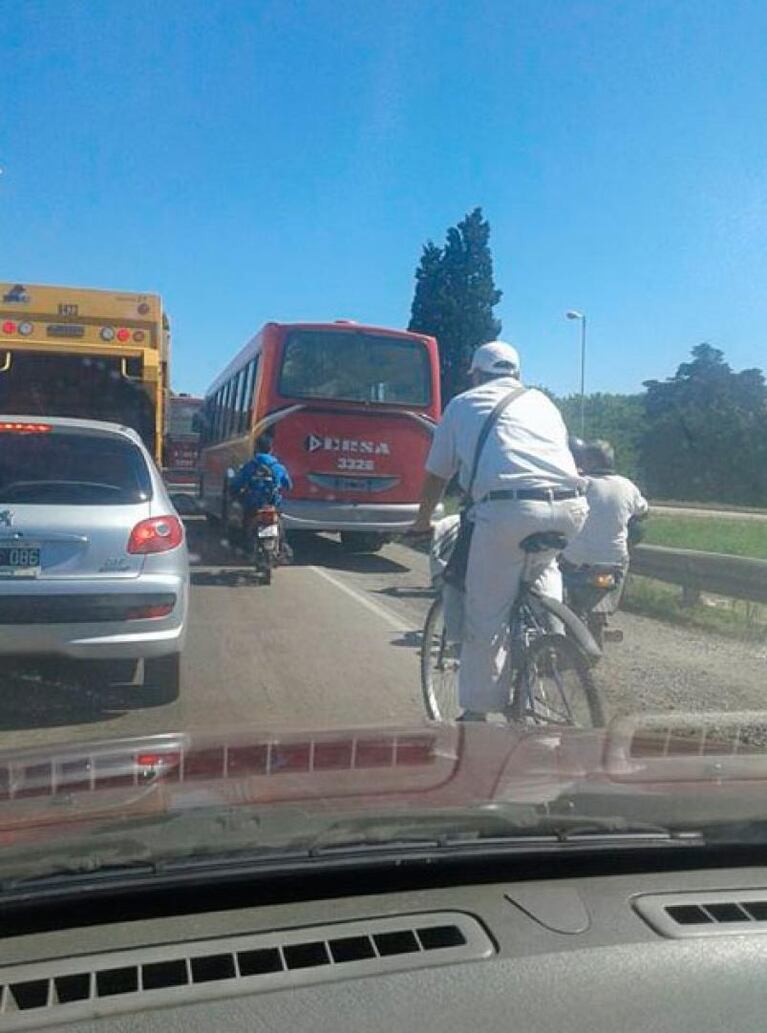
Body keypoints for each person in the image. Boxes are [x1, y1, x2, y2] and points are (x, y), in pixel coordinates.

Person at [411, 340, 589, 721]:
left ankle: (476, 711)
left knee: (486, 614)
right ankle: (548, 636)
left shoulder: (462, 405)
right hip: (572, 507)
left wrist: (422, 519)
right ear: (517, 375)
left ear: (476, 374)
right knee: (544, 564)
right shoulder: (543, 402)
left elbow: (436, 474)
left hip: (508, 510)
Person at [562, 439, 648, 570]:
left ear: (591, 461)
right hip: (614, 559)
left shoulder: (579, 484)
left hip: (575, 559)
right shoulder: (627, 485)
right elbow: (643, 513)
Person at [230, 433, 293, 558]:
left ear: (256, 449)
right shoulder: (278, 467)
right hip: (273, 504)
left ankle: (247, 548)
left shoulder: (250, 466)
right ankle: (282, 546)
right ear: (271, 449)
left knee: (246, 525)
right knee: (280, 525)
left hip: (253, 505)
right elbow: (289, 485)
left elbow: (238, 483)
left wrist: (234, 491)